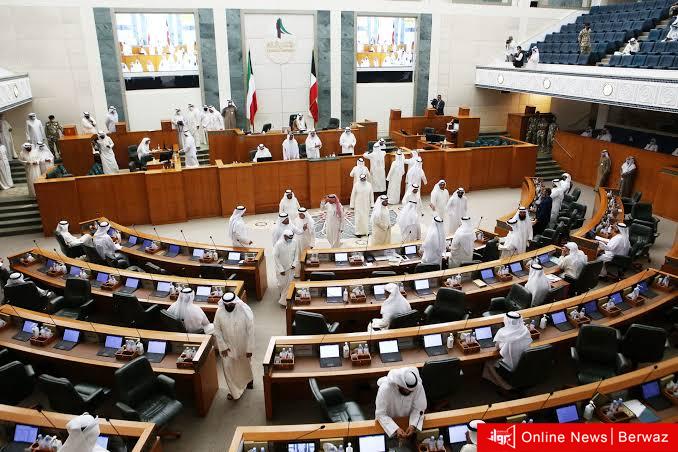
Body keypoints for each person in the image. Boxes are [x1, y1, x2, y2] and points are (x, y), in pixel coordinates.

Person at [213, 292, 254, 400]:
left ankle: (248, 381)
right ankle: (235, 392)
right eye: (226, 305)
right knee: (228, 368)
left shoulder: (244, 310)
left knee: (244, 365)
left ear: (235, 302)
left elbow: (251, 331)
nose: (229, 306)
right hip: (227, 347)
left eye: (231, 304)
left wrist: (249, 348)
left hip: (242, 344)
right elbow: (217, 330)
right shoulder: (219, 312)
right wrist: (222, 347)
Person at [482, 312, 533, 392]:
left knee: (488, 363)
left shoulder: (502, 332)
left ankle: (506, 387)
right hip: (524, 364)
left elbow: (497, 347)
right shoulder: (525, 330)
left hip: (510, 367)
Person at [375, 367, 427, 439]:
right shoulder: (385, 388)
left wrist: (413, 425)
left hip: (408, 421)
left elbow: (420, 408)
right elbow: (380, 414)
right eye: (406, 390)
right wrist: (395, 429)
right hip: (388, 424)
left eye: (411, 391)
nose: (409, 392)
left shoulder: (418, 386)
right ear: (399, 384)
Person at [274, 229, 297, 306]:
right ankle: (283, 296)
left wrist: (294, 264)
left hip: (291, 268)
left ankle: (285, 302)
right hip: (282, 269)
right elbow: (276, 257)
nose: (291, 239)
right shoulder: (278, 244)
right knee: (281, 284)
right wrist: (281, 269)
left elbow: (296, 254)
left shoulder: (294, 242)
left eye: (292, 238)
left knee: (289, 285)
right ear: (284, 236)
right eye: (289, 238)